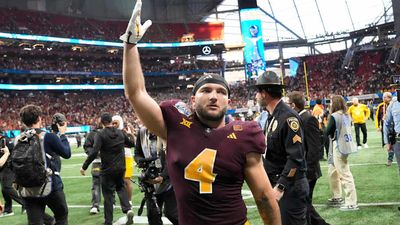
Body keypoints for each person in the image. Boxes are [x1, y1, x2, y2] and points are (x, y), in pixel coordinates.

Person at [120, 1, 281, 224]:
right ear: (193, 100)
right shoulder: (174, 126)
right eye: (206, 90)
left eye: (220, 91)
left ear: (228, 100)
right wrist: (130, 45)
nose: (213, 95)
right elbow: (136, 93)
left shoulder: (246, 134)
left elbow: (263, 197)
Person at [254, 71, 309, 225]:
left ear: (264, 93)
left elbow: (296, 157)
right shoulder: (272, 116)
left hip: (289, 187)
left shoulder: (288, 117)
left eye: (257, 92)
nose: (256, 96)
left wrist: (280, 186)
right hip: (279, 183)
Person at [18, 106, 71, 224]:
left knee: (35, 222)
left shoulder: (18, 139)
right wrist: (62, 135)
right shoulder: (48, 136)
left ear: (23, 121)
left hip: (28, 189)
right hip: (50, 185)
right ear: (39, 118)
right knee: (61, 216)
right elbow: (66, 153)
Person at [80, 112, 135, 225]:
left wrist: (84, 166)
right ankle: (128, 209)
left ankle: (108, 221)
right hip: (121, 168)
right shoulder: (120, 133)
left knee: (108, 195)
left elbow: (94, 152)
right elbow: (131, 143)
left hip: (107, 169)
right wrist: (129, 134)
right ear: (111, 121)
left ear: (101, 122)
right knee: (121, 188)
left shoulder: (100, 134)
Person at [286, 92, 329, 225]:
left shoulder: (308, 118)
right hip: (305, 170)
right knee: (304, 205)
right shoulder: (300, 118)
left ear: (293, 105)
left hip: (308, 170)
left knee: (304, 205)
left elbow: (314, 147)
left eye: (288, 103)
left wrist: (308, 170)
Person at [134, 126, 179, 225]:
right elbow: (137, 153)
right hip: (150, 178)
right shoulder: (142, 132)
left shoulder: (168, 131)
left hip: (169, 179)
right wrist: (141, 161)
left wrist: (162, 176)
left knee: (172, 214)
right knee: (153, 215)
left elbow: (173, 157)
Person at [325, 95, 358, 211]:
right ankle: (337, 196)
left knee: (345, 175)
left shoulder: (334, 116)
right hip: (344, 145)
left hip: (338, 145)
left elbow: (327, 131)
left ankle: (351, 203)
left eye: (331, 102)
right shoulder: (346, 114)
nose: (330, 104)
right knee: (332, 171)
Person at [0, 131, 25, 217]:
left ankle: (25, 203)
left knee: (7, 187)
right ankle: (8, 209)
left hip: (9, 166)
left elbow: (14, 151)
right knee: (4, 189)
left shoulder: (4, 140)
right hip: (3, 168)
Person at [111, 115, 135, 204]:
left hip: (127, 157)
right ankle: (113, 201)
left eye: (115, 123)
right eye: (112, 123)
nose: (113, 125)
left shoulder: (124, 132)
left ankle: (129, 201)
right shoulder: (110, 132)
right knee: (114, 180)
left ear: (120, 123)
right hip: (115, 158)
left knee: (126, 180)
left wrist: (131, 134)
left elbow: (133, 144)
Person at [83, 121, 103, 215]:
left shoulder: (93, 134)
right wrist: (95, 154)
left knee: (100, 183)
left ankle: (97, 205)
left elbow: (86, 146)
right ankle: (96, 205)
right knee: (97, 183)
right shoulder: (92, 134)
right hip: (98, 162)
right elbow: (87, 147)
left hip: (108, 162)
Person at [384, 92, 400, 174]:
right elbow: (386, 124)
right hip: (397, 139)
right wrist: (387, 142)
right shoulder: (393, 104)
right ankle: (390, 159)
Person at [375, 92, 393, 166]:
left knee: (395, 143)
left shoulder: (395, 105)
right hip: (385, 127)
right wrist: (377, 126)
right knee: (388, 144)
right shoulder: (381, 106)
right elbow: (377, 117)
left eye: (385, 97)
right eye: (383, 97)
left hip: (394, 127)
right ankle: (390, 159)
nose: (383, 98)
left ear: (389, 98)